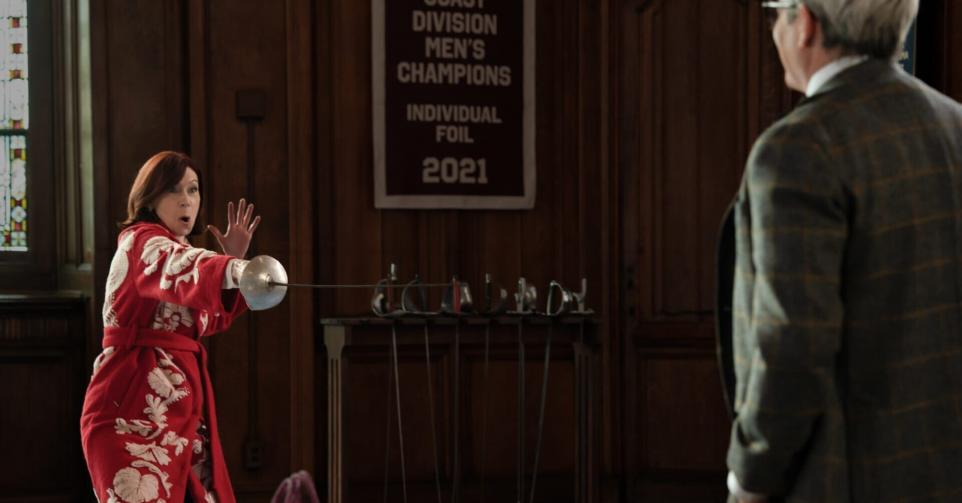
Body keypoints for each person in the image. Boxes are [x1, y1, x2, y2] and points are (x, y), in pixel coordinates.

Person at [717, 0, 962, 501]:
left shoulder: (798, 149)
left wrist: (749, 474)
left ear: (805, 23)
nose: (773, 29)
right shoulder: (955, 124)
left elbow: (792, 351)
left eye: (774, 13)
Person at [81, 151, 261, 503]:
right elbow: (180, 264)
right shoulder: (141, 241)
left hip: (181, 415)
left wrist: (234, 264)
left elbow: (208, 318)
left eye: (193, 189)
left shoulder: (182, 249)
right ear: (149, 198)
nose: (186, 200)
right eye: (173, 190)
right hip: (129, 409)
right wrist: (234, 269)